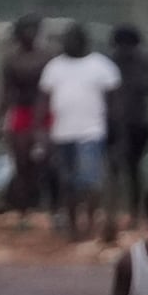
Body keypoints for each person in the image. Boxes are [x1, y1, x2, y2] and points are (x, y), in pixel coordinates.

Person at [40, 22, 124, 245]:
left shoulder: (101, 66)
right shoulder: (54, 67)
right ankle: (73, 226)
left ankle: (90, 219)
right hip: (61, 133)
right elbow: (44, 101)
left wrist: (116, 132)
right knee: (67, 182)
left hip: (91, 132)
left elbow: (114, 101)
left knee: (89, 181)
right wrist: (42, 132)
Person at [0, 15, 54, 220]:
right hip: (21, 113)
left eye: (33, 30)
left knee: (47, 163)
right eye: (25, 30)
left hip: (47, 114)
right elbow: (5, 93)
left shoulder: (49, 57)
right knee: (21, 164)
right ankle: (23, 211)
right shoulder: (11, 60)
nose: (29, 35)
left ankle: (49, 206)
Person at [107, 24, 148, 206]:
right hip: (113, 122)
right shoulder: (110, 63)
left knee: (133, 167)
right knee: (114, 166)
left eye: (128, 45)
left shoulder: (144, 60)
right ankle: (113, 209)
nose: (124, 50)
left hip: (138, 121)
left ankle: (135, 210)